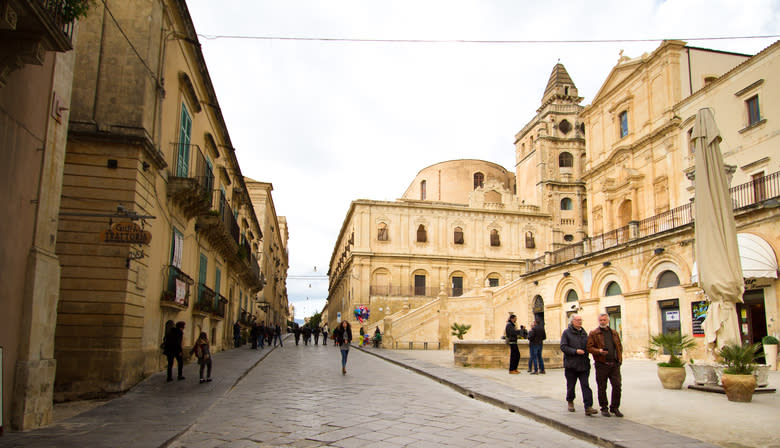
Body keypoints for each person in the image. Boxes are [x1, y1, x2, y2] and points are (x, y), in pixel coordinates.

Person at [587, 313, 624, 417]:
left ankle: (615, 407)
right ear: (598, 321)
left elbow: (619, 346)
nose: (602, 322)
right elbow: (589, 348)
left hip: (614, 364)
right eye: (601, 320)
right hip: (602, 364)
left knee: (617, 386)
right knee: (602, 387)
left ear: (608, 321)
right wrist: (599, 351)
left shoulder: (614, 333)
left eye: (604, 320)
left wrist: (619, 360)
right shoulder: (594, 333)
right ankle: (604, 407)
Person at [560, 315, 596, 415]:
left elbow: (589, 346)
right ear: (572, 322)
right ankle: (570, 401)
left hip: (583, 364)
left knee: (585, 385)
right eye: (578, 320)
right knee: (571, 385)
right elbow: (563, 346)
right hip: (571, 365)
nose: (580, 322)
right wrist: (575, 351)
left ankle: (588, 407)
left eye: (581, 320)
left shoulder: (584, 333)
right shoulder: (566, 333)